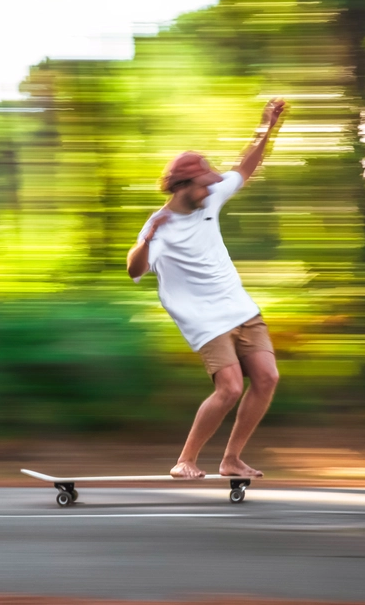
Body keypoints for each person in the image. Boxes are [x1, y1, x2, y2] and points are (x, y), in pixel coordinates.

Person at [127, 98, 285, 479]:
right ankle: (185, 460)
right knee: (229, 388)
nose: (211, 188)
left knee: (267, 378)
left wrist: (267, 126)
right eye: (203, 183)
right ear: (183, 186)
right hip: (204, 318)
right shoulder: (161, 224)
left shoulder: (209, 197)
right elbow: (135, 269)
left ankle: (231, 459)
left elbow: (246, 166)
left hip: (240, 308)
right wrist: (146, 240)